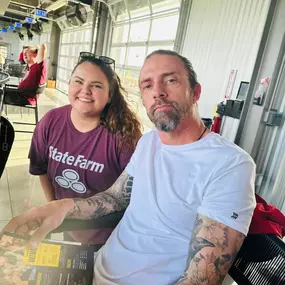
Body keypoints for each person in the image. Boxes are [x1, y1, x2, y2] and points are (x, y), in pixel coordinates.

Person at [1, 50, 256, 285]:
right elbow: (114, 198)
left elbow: (201, 279)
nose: (158, 92)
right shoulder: (149, 143)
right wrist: (63, 206)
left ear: (196, 92)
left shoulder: (230, 164)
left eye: (170, 80)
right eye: (147, 85)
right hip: (95, 268)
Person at [28, 54, 141, 245]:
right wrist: (54, 206)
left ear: (110, 94)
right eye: (78, 81)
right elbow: (42, 168)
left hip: (111, 236)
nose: (85, 90)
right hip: (68, 226)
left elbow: (133, 196)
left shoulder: (123, 136)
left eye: (97, 85)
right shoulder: (50, 121)